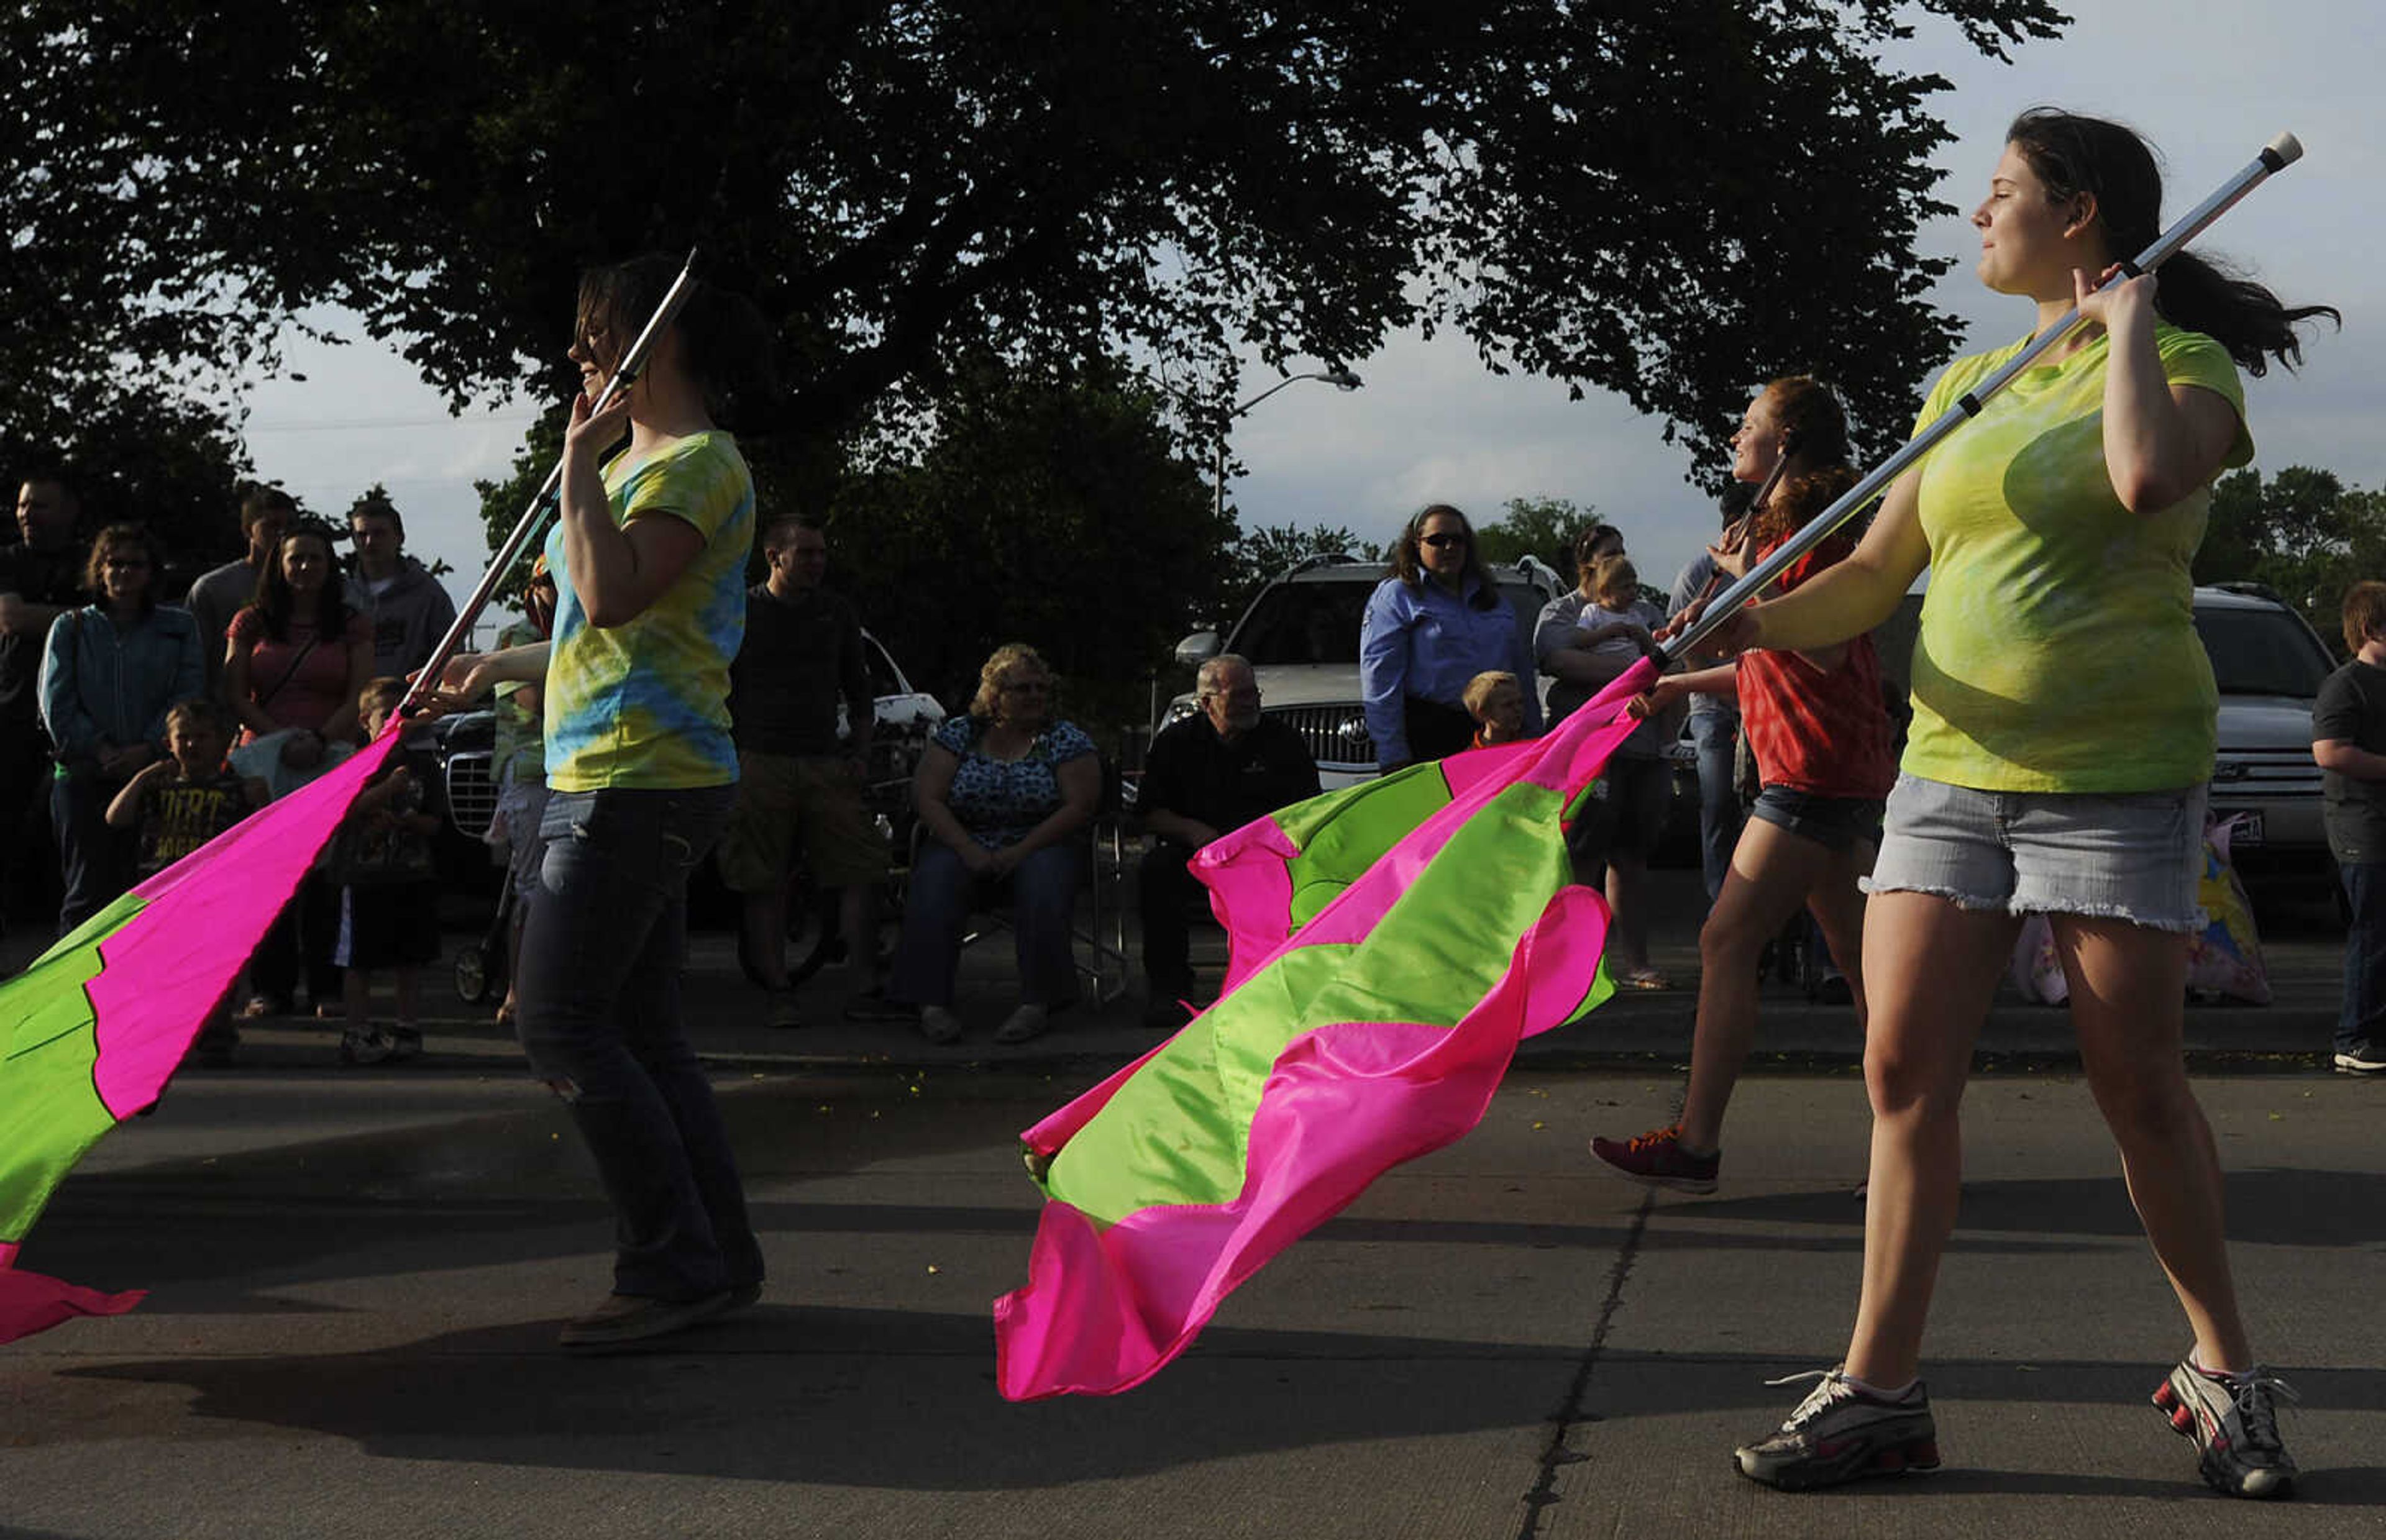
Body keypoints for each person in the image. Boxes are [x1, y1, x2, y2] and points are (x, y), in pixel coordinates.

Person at [1703, 109, 2336, 1499]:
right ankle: (1880, 1391)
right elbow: (1872, 579)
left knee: (2140, 1091)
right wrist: (1732, 639)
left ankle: (2224, 1368)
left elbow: (2144, 477)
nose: (1976, 216)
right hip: (1946, 771)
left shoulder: (2183, 362)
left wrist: (2121, 331)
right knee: (1899, 1076)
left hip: (2112, 780)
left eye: (2000, 193)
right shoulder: (1967, 384)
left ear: (2081, 211)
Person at [427, 253, 774, 1349]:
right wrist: (496, 669)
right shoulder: (630, 463)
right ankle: (712, 1258)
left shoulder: (700, 462)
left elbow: (619, 593)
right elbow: (592, 634)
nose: (578, 354)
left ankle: (671, 1264)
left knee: (558, 1018)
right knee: (643, 1031)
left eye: (594, 333)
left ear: (653, 344)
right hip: (603, 770)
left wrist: (579, 464)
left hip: (641, 780)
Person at [1589, 378, 1893, 1193]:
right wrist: (1688, 684)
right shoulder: (1781, 533)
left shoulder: (1813, 533)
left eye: (1750, 422)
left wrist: (1744, 578)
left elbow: (1823, 649)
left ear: (1786, 441)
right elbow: (1776, 664)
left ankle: (1697, 1141)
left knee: (1728, 940)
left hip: (1815, 769)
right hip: (1834, 763)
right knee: (1868, 971)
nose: (1735, 434)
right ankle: (1914, 1148)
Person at [714, 514, 894, 1030]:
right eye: (806, 553)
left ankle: (863, 983)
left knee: (863, 865)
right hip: (757, 760)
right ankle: (778, 987)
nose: (817, 562)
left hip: (823, 759)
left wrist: (860, 751)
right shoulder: (741, 610)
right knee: (761, 877)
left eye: (821, 553)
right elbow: (715, 685)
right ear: (775, 557)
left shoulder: (835, 612)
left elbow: (859, 691)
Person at [891, 643, 1099, 1046]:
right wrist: (967, 848)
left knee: (1043, 884)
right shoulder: (960, 734)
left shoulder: (1063, 738)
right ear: (995, 695)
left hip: (1042, 841)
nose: (1036, 696)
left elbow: (1081, 805)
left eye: (1041, 688)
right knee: (934, 882)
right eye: (1023, 689)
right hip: (964, 838)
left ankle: (1039, 1003)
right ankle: (929, 1003)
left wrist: (1019, 851)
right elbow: (927, 797)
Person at [224, 520, 373, 1019]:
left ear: (331, 566)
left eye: (316, 558)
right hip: (266, 763)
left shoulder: (351, 623)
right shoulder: (251, 622)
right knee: (266, 880)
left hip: (329, 759)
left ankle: (327, 988)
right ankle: (270, 987)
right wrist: (279, 738)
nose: (306, 567)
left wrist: (320, 738)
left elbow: (361, 694)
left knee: (326, 878)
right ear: (279, 564)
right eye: (296, 558)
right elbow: (233, 692)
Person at [37, 524, 204, 934]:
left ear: (151, 571)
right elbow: (56, 703)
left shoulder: (179, 627)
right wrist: (99, 748)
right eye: (115, 563)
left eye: (135, 564)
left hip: (156, 775)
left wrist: (147, 747)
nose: (124, 573)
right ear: (100, 569)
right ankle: (72, 993)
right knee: (86, 893)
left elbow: (188, 694)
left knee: (154, 892)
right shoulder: (71, 626)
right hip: (83, 775)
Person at [1136, 653, 1320, 1029]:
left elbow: (1309, 810)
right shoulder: (1175, 743)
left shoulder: (1284, 742)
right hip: (1198, 854)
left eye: (1254, 693)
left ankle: (1275, 987)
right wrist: (1192, 831)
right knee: (1155, 872)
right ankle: (1170, 991)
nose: (1250, 702)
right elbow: (1149, 813)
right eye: (1238, 696)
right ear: (1207, 702)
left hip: (1266, 855)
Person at [1535, 542, 1672, 987]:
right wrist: (1630, 668)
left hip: (1644, 745)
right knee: (1585, 854)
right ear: (1589, 568)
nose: (1624, 577)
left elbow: (1673, 658)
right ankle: (1574, 965)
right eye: (1607, 558)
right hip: (1593, 750)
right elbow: (1559, 658)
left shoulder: (1647, 610)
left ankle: (1636, 962)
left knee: (1633, 856)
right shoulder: (1568, 611)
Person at [107, 698, 267, 1063]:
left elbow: (261, 831)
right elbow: (115, 818)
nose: (192, 745)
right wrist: (142, 776)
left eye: (202, 737)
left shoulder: (236, 788)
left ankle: (215, 1031)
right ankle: (163, 1035)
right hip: (162, 892)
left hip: (214, 894)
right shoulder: (157, 787)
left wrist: (260, 797)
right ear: (169, 743)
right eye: (184, 737)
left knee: (212, 968)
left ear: (223, 742)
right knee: (161, 969)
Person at [1360, 504, 1542, 771]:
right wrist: (1393, 755)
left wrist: (1534, 737)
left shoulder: (1493, 600)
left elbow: (1522, 673)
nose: (1449, 547)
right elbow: (1381, 682)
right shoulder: (1398, 596)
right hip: (1431, 738)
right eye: (1437, 540)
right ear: (1416, 545)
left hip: (1499, 735)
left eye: (1458, 540)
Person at [332, 678, 443, 1067]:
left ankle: (407, 1025)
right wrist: (384, 791)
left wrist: (406, 820)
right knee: (358, 959)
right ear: (366, 720)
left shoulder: (424, 766)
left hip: (411, 874)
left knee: (410, 957)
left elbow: (434, 823)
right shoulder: (352, 763)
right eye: (388, 714)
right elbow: (341, 811)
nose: (399, 722)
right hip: (364, 876)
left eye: (406, 714)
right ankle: (358, 1028)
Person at [0, 474, 88, 935]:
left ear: (70, 509)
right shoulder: (8, 560)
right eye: (22, 505)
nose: (26, 514)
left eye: (39, 506)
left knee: (72, 827)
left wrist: (50, 619)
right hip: (13, 710)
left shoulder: (91, 560)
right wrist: (82, 618)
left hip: (78, 712)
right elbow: (11, 619)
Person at [2311, 578, 2386, 1077]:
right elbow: (2330, 752)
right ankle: (2354, 1038)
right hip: (2365, 830)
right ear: (2369, 627)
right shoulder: (2345, 684)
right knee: (2374, 934)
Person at [1667, 492, 1754, 904]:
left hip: (1764, 700)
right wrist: (1716, 691)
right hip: (1713, 703)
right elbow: (1689, 651)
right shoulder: (1698, 575)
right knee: (1718, 799)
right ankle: (1720, 900)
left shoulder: (1772, 568)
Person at [483, 557, 557, 1028]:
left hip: (579, 771)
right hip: (531, 774)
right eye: (551, 580)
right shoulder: (515, 638)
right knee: (533, 886)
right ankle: (518, 990)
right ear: (533, 589)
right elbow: (538, 701)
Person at [185, 485, 296, 701]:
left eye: (290, 526)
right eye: (272, 526)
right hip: (225, 710)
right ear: (248, 530)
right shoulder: (214, 588)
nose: (282, 534)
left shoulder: (309, 583)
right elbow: (194, 660)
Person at [347, 491, 459, 680]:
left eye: (379, 534)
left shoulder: (428, 594)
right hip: (353, 705)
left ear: (400, 538)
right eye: (362, 535)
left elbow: (451, 655)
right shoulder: (342, 595)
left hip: (408, 702)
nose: (370, 542)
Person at [1462, 670, 1530, 748]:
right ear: (1483, 713)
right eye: (1508, 705)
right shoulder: (1471, 756)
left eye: (1520, 702)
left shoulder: (1529, 748)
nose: (1518, 709)